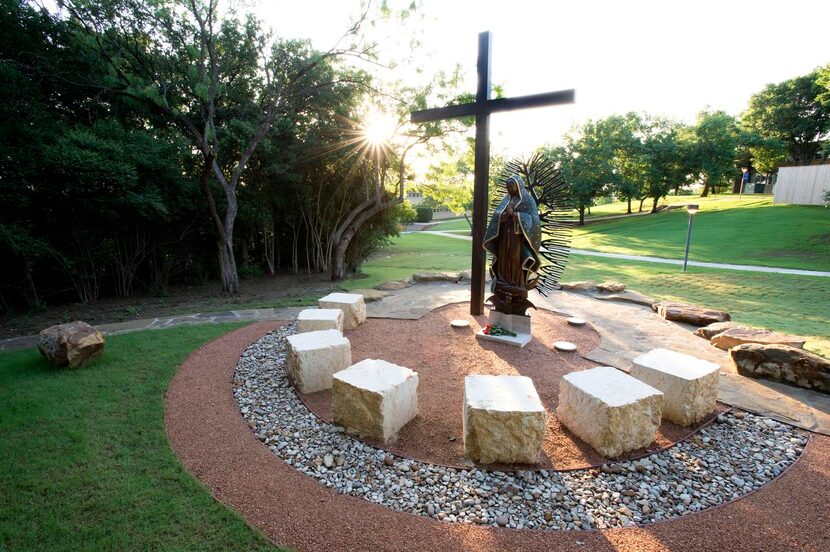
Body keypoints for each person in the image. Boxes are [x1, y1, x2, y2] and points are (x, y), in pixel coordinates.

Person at [482, 175, 542, 315]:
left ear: (518, 185)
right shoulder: (506, 199)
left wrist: (515, 215)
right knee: (503, 259)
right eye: (507, 187)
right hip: (504, 237)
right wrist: (501, 217)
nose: (509, 189)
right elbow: (497, 215)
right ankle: (502, 281)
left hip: (518, 240)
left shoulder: (528, 199)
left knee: (515, 260)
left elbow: (533, 220)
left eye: (511, 187)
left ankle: (516, 284)